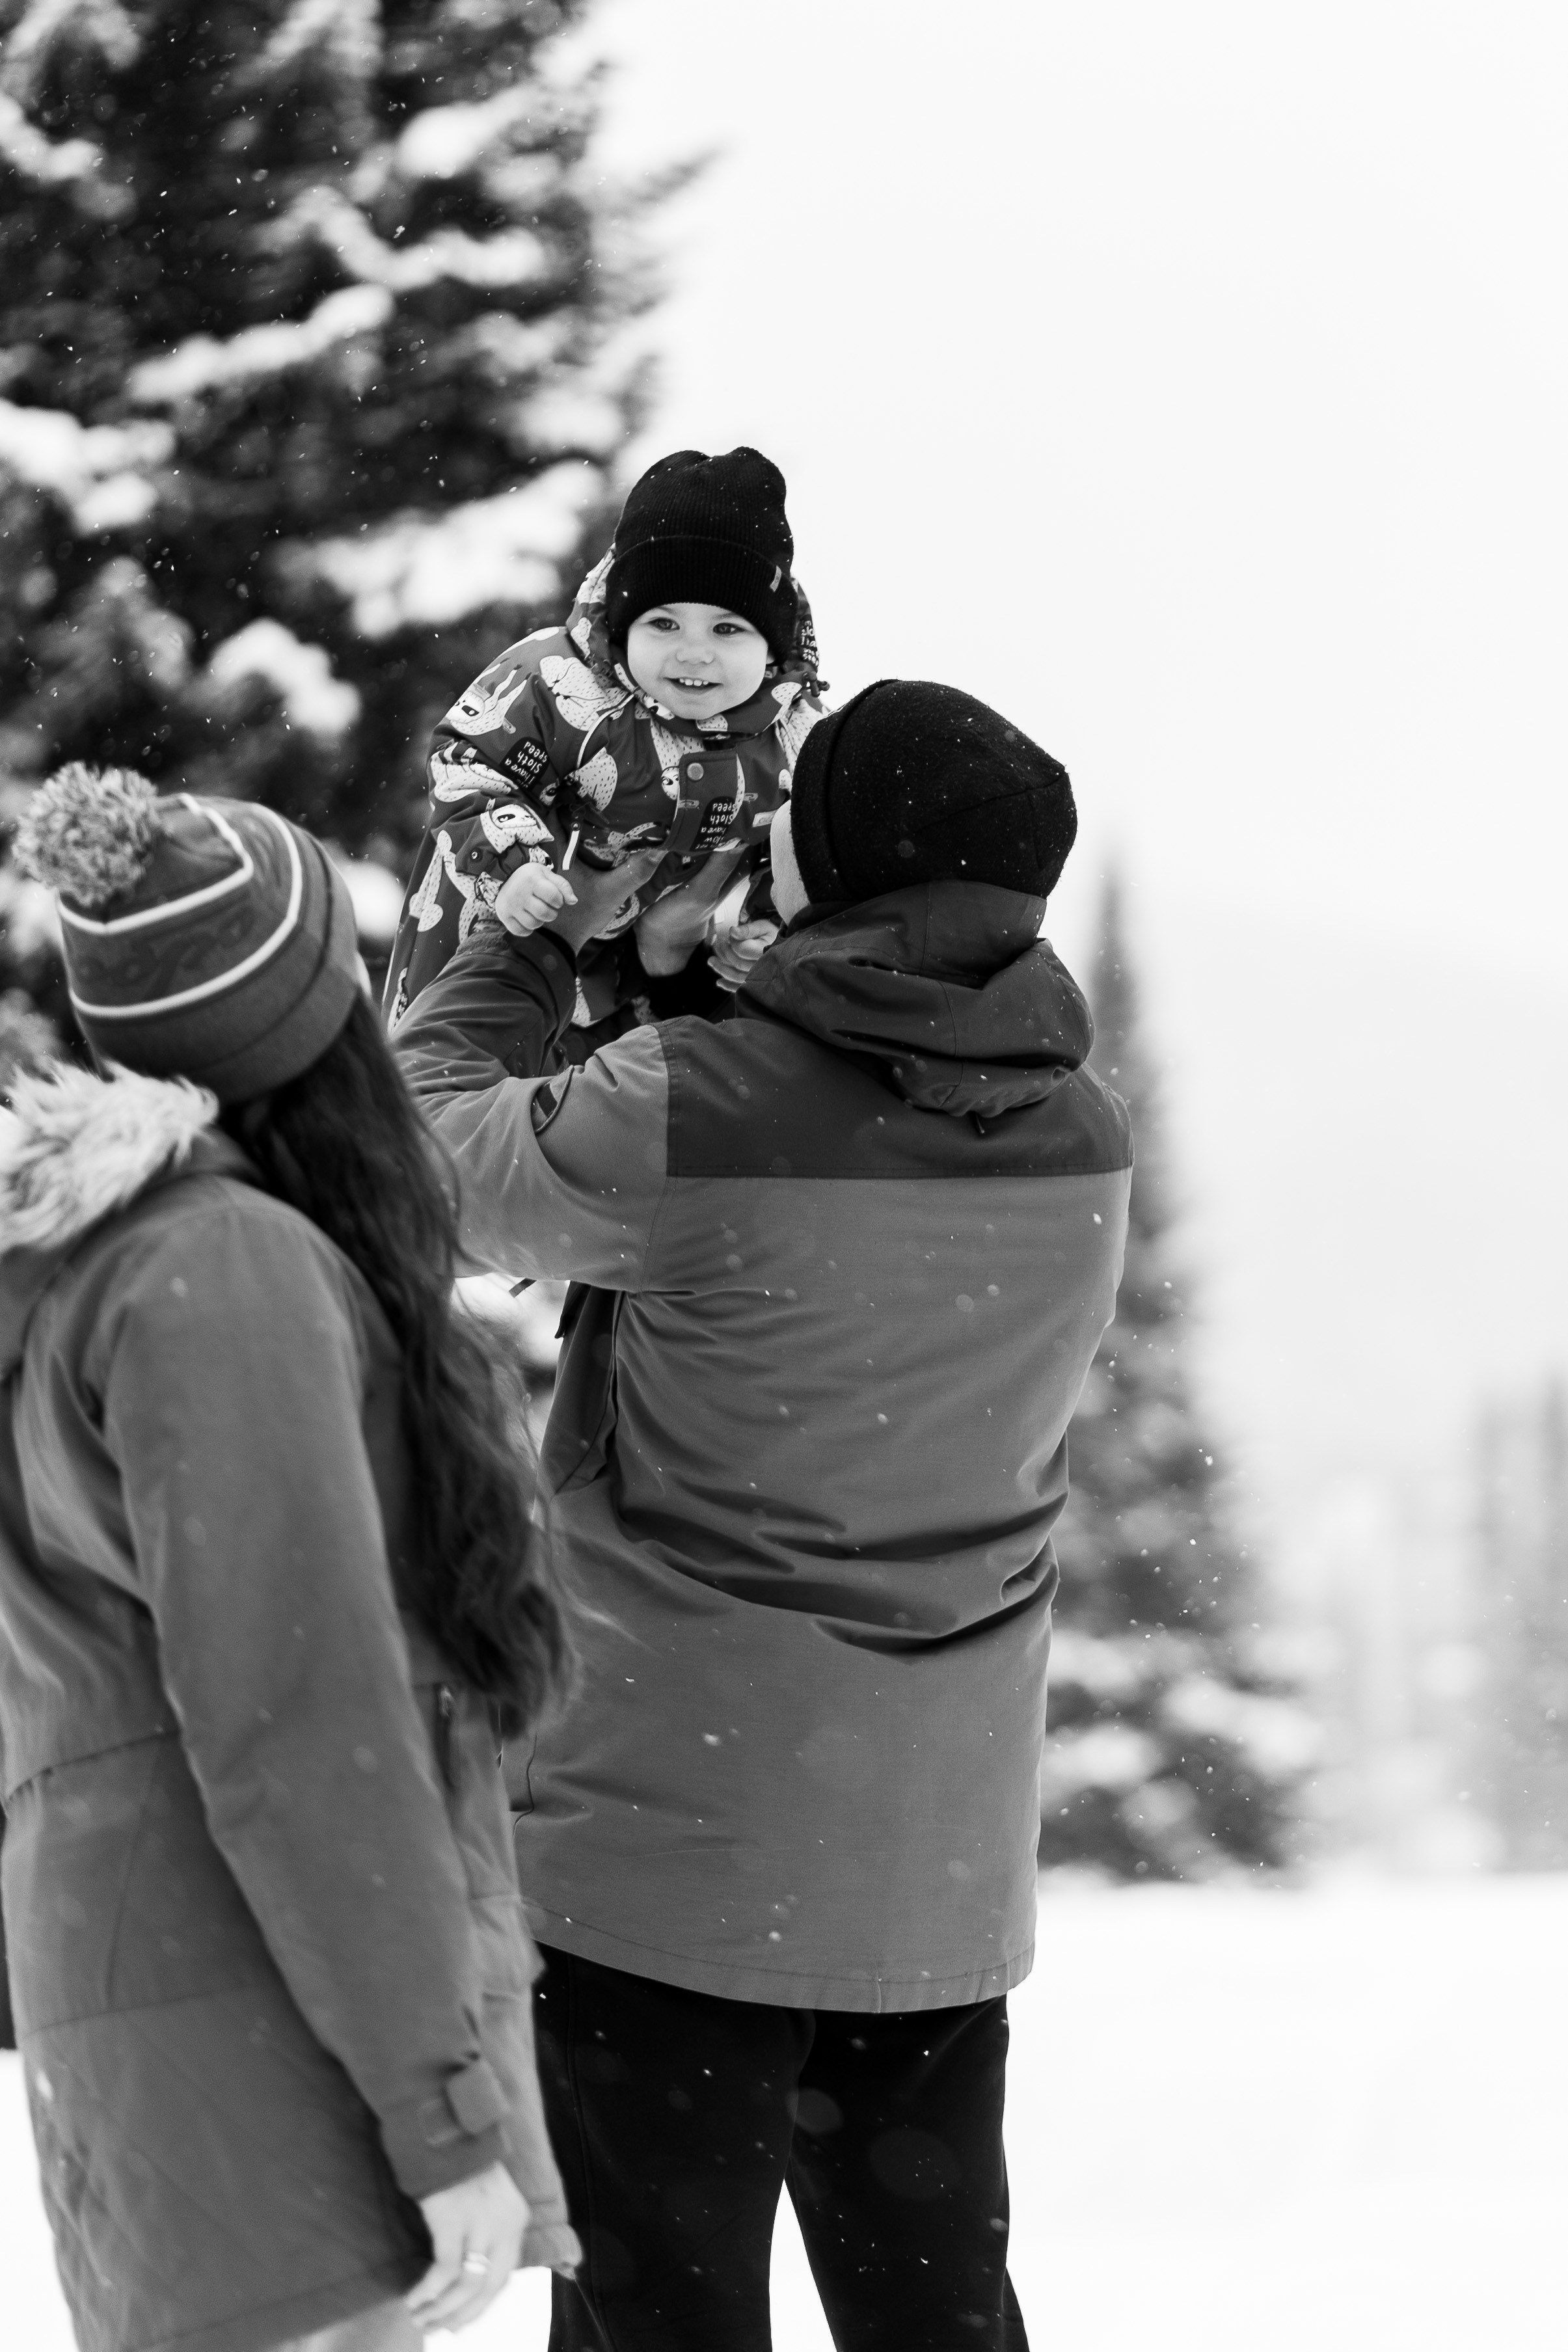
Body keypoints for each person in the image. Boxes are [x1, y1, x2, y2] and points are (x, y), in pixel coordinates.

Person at [391, 679, 1135, 2352]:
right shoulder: (1082, 1133)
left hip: (670, 1857)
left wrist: (526, 942)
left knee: (660, 2320)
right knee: (934, 2312)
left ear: (839, 858)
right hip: (928, 1863)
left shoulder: (701, 1105)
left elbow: (423, 1150)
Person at [0, 765, 581, 2352]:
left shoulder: (94, 1262)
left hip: (176, 2016)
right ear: (321, 1019)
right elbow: (296, 1727)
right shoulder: (223, 1268)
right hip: (266, 2033)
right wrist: (440, 2113)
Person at [383, 445, 825, 1044]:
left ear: (771, 647)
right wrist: (511, 869)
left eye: (727, 629)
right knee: (455, 1096)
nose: (694, 652)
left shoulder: (797, 739)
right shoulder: (555, 683)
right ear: (622, 624)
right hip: (495, 930)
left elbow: (801, 848)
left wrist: (763, 923)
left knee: (585, 1118)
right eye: (663, 623)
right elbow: (469, 763)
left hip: (628, 993)